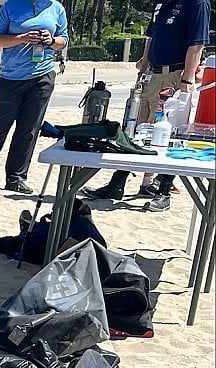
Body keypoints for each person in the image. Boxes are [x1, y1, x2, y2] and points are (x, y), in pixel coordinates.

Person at [83, 0, 210, 213]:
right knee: (134, 130)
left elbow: (197, 44)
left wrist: (187, 81)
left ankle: (163, 190)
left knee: (170, 134)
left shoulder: (196, 3)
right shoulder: (162, 3)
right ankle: (118, 183)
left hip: (176, 75)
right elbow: (151, 38)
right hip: (152, 74)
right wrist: (143, 69)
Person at [0, 0, 68, 195]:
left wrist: (50, 40)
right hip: (10, 77)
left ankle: (16, 178)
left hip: (42, 76)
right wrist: (22, 38)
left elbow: (63, 40)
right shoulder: (11, 6)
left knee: (28, 130)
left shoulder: (56, 8)